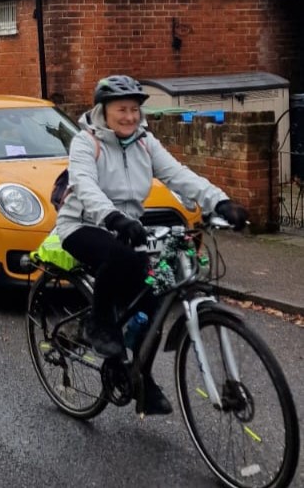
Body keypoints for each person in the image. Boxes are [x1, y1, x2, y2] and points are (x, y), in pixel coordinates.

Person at [56, 74, 249, 415]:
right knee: (120, 256)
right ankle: (100, 327)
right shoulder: (87, 142)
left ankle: (139, 376)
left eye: (134, 109)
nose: (129, 116)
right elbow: (85, 185)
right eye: (121, 109)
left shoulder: (145, 142)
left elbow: (178, 174)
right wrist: (113, 218)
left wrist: (220, 202)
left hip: (129, 228)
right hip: (82, 225)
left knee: (157, 295)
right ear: (104, 110)